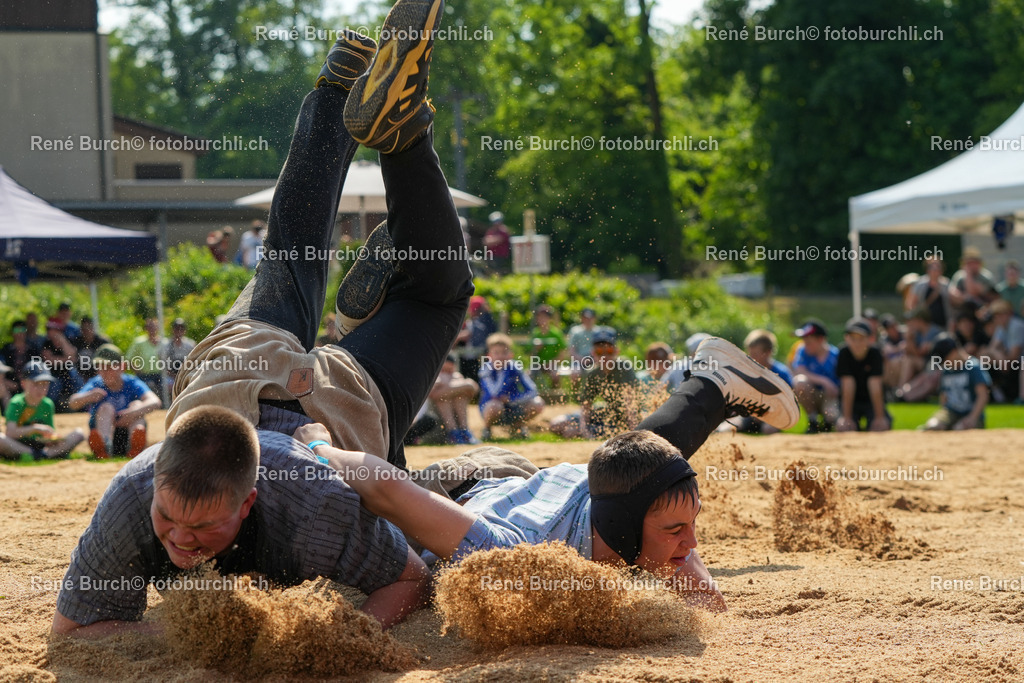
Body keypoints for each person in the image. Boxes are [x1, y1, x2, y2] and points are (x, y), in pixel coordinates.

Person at [53, 0, 464, 637]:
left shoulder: (312, 505)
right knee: (297, 247)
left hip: (311, 396)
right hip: (264, 376)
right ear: (154, 476)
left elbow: (408, 578)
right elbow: (70, 637)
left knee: (392, 283)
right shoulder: (136, 495)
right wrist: (197, 630)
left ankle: (383, 123)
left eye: (204, 526)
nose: (183, 541)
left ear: (248, 503)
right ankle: (343, 86)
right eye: (171, 520)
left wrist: (311, 640)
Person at [294, 336, 801, 613]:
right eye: (675, 531)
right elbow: (385, 488)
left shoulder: (630, 498)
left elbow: (707, 604)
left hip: (564, 484)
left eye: (690, 526)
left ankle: (709, 384)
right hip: (467, 482)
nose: (691, 545)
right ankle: (359, 338)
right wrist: (316, 443)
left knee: (636, 461)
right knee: (360, 500)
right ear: (627, 530)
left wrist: (676, 554)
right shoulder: (513, 553)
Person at [69, 344, 161, 459]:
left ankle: (135, 445)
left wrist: (132, 412)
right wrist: (88, 396)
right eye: (100, 367)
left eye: (109, 367)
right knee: (106, 408)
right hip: (104, 429)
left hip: (127, 433)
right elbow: (72, 403)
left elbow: (155, 401)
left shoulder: (131, 382)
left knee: (137, 405)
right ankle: (103, 447)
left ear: (122, 367)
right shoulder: (96, 383)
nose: (104, 372)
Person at [551, 328, 640, 439]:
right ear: (593, 353)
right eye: (599, 352)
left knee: (572, 431)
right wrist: (585, 431)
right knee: (556, 424)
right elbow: (586, 407)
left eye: (609, 351)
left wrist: (634, 433)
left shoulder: (624, 367)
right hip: (607, 413)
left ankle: (601, 431)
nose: (604, 356)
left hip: (625, 419)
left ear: (617, 351)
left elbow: (630, 405)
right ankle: (594, 431)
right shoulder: (593, 373)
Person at [0, 361, 85, 461]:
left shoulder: (48, 404)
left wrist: (52, 439)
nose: (41, 389)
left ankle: (42, 454)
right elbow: (10, 432)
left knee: (79, 434)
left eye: (45, 384)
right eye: (36, 384)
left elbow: (49, 434)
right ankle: (39, 454)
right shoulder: (16, 403)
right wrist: (35, 429)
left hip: (41, 446)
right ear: (23, 383)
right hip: (20, 444)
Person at [722, 329, 793, 434]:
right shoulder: (746, 371)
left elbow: (788, 403)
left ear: (768, 352)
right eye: (749, 353)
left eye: (755, 354)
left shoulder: (781, 373)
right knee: (725, 429)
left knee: (768, 429)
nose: (750, 357)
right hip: (750, 415)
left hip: (773, 416)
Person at [478, 334, 545, 440]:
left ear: (510, 355)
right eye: (496, 353)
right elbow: (495, 394)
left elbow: (533, 390)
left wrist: (512, 400)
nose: (500, 356)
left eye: (504, 353)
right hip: (493, 409)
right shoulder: (485, 371)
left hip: (513, 407)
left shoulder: (515, 368)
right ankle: (487, 429)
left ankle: (517, 427)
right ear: (489, 356)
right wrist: (503, 372)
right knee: (495, 405)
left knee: (537, 403)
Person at [921, 336, 991, 430]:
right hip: (952, 411)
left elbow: (983, 395)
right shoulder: (946, 370)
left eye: (945, 359)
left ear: (954, 352)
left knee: (959, 428)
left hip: (971, 413)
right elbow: (943, 396)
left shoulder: (973, 367)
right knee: (933, 426)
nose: (944, 363)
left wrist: (972, 417)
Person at [836, 318, 890, 432]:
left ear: (870, 339)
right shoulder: (844, 353)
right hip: (853, 402)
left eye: (861, 339)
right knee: (844, 427)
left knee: (881, 427)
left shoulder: (875, 353)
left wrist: (879, 417)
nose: (857, 343)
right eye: (853, 338)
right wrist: (846, 417)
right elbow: (847, 385)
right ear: (846, 338)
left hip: (871, 402)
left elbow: (875, 386)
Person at [790, 320, 839, 433]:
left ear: (821, 339)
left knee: (831, 415)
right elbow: (799, 371)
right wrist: (824, 381)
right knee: (800, 382)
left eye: (809, 342)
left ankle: (828, 425)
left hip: (830, 397)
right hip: (813, 396)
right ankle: (813, 421)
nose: (805, 345)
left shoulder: (835, 355)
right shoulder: (802, 351)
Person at [428, 353, 479, 444]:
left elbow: (473, 389)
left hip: (457, 420)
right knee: (443, 398)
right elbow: (433, 394)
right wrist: (463, 385)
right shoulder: (435, 377)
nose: (446, 373)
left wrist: (449, 386)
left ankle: (463, 430)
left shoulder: (456, 376)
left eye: (449, 371)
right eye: (444, 370)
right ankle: (454, 432)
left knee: (460, 396)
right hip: (435, 426)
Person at [40, 319, 83, 412]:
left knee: (77, 381)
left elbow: (73, 357)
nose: (49, 332)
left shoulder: (68, 340)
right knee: (54, 385)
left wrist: (63, 341)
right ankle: (47, 410)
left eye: (52, 329)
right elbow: (49, 361)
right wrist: (67, 359)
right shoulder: (46, 343)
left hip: (68, 373)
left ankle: (83, 407)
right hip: (53, 374)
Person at [457, 295, 497, 382]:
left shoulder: (486, 320)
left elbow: (480, 334)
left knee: (479, 378)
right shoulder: (471, 321)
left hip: (479, 355)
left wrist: (466, 334)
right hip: (466, 356)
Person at [906, 257, 952, 330]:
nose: (935, 269)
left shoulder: (946, 284)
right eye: (932, 267)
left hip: (943, 325)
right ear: (927, 269)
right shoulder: (919, 284)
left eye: (937, 267)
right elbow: (911, 304)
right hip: (925, 328)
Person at [126, 318, 166, 399]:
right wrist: (138, 370)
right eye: (149, 327)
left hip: (161, 375)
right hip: (145, 375)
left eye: (154, 327)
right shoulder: (139, 342)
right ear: (146, 329)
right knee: (150, 386)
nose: (152, 329)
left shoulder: (163, 342)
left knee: (171, 385)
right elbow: (128, 359)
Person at [529, 304, 566, 388]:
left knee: (555, 375)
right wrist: (536, 349)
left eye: (545, 317)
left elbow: (562, 353)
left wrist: (551, 363)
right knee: (529, 375)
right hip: (538, 364)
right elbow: (530, 354)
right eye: (540, 317)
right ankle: (532, 395)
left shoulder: (556, 333)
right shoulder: (535, 333)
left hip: (553, 364)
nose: (542, 319)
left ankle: (555, 396)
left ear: (550, 319)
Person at [160, 318, 196, 393]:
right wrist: (173, 376)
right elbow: (162, 364)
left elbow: (194, 362)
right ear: (173, 330)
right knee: (168, 385)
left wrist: (183, 375)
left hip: (186, 373)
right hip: (170, 376)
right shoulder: (166, 345)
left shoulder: (190, 344)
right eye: (176, 328)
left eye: (181, 328)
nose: (179, 331)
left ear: (184, 330)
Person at [74, 316, 111, 382]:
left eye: (89, 328)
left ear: (93, 328)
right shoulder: (76, 341)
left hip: (98, 374)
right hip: (79, 375)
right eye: (84, 329)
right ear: (81, 330)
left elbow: (109, 360)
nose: (87, 331)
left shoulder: (102, 342)